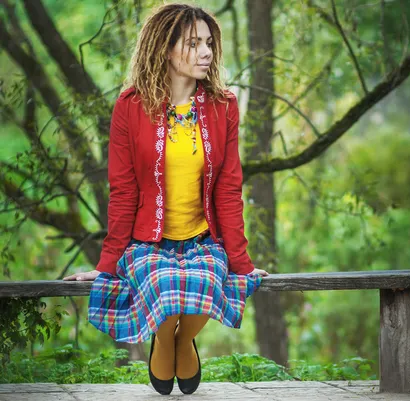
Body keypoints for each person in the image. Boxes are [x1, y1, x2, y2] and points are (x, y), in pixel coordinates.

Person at [63, 3, 268, 396]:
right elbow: (122, 192)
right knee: (164, 289)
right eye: (194, 43)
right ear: (165, 48)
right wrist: (107, 265)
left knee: (207, 283)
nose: (206, 52)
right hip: (148, 243)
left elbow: (228, 188)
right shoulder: (130, 106)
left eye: (209, 43)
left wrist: (241, 262)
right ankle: (166, 336)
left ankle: (174, 340)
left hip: (202, 240)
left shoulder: (224, 106)